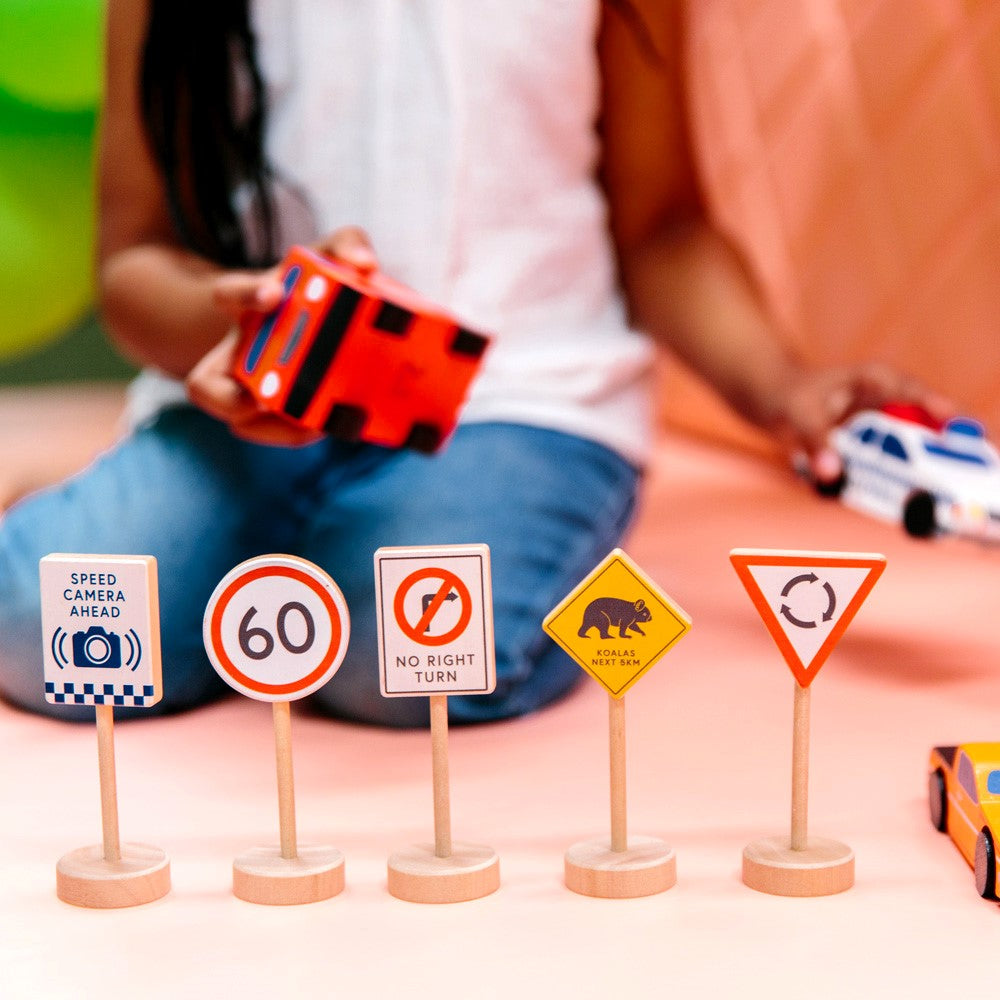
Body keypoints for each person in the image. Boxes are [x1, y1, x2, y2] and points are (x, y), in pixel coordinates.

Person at [0, 1, 948, 725]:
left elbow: (662, 231)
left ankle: (283, 573)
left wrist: (786, 386)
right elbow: (132, 261)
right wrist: (231, 331)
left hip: (525, 395)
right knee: (48, 630)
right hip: (247, 397)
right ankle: (254, 554)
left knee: (410, 665)